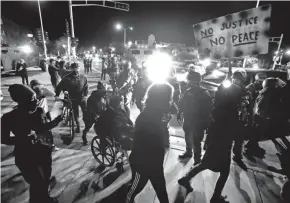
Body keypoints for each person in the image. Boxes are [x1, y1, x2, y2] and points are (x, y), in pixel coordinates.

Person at [178, 80, 246, 203]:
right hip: (224, 144)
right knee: (224, 172)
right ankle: (215, 196)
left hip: (214, 141)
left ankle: (186, 178)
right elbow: (237, 131)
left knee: (206, 163)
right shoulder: (232, 112)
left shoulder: (218, 107)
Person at [1, 84, 62, 203]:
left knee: (45, 180)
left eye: (36, 98)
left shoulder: (39, 111)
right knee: (36, 183)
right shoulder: (8, 118)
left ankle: (45, 198)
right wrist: (24, 139)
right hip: (25, 155)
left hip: (43, 151)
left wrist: (56, 122)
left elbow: (43, 128)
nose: (36, 101)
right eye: (32, 99)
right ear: (22, 101)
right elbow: (4, 139)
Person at [125, 83, 173, 203]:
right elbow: (144, 145)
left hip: (155, 163)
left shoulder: (155, 115)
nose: (171, 101)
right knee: (134, 190)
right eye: (170, 98)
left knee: (161, 191)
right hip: (143, 165)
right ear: (163, 100)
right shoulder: (148, 118)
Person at [177, 71, 213, 164]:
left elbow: (208, 111)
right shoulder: (188, 91)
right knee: (188, 136)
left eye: (189, 80)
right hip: (188, 120)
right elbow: (182, 103)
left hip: (198, 123)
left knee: (196, 142)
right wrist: (179, 112)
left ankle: (197, 161)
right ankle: (188, 152)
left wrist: (206, 124)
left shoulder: (204, 93)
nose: (188, 82)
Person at [55, 63, 88, 133]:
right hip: (72, 98)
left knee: (85, 112)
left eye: (77, 68)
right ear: (71, 69)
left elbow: (86, 87)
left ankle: (86, 124)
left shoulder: (83, 77)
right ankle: (78, 125)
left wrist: (85, 95)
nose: (76, 70)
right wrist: (57, 94)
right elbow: (59, 86)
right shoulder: (66, 78)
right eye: (74, 68)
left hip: (81, 98)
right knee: (75, 113)